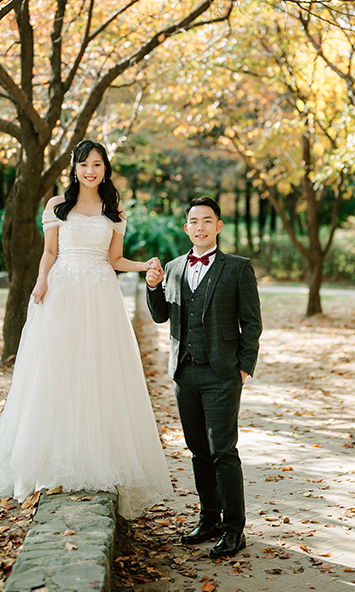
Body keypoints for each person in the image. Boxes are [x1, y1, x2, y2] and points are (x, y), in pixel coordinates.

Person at [0, 140, 172, 518]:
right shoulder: (57, 206)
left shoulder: (114, 209)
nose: (90, 170)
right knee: (57, 370)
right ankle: (50, 462)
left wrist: (144, 266)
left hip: (100, 292)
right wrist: (41, 280)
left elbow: (114, 258)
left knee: (98, 372)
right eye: (84, 164)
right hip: (63, 288)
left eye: (97, 164)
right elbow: (49, 250)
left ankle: (98, 459)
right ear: (74, 167)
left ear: (106, 168)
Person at [146, 196, 262, 560]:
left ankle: (234, 530)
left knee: (222, 451)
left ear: (218, 226)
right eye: (193, 221)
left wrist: (243, 367)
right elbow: (161, 316)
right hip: (185, 372)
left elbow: (252, 323)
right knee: (198, 451)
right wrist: (153, 287)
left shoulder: (238, 268)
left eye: (207, 221)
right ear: (186, 227)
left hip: (223, 373)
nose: (200, 226)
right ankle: (209, 519)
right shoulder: (174, 267)